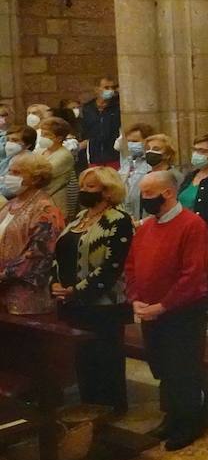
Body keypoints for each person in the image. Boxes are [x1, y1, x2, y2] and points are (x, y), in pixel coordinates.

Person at [128, 171, 208, 450]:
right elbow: (132, 266)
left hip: (182, 312)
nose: (144, 199)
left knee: (183, 369)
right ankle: (171, 416)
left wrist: (163, 306)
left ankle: (189, 421)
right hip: (150, 310)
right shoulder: (146, 227)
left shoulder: (192, 225)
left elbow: (193, 274)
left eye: (148, 193)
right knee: (163, 367)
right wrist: (136, 299)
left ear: (168, 193)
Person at [51, 167, 134, 412]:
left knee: (105, 357)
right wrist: (54, 283)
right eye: (84, 186)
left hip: (104, 305)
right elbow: (59, 255)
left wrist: (77, 291)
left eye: (91, 187)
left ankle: (110, 408)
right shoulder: (79, 218)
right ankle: (88, 407)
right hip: (73, 303)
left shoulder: (118, 220)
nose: (84, 191)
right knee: (83, 357)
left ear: (107, 192)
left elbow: (112, 266)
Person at [0, 152, 65, 314]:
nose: (9, 176)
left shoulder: (46, 209)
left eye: (17, 173)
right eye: (9, 171)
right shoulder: (9, 204)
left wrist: (4, 274)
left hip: (25, 297)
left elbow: (39, 254)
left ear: (36, 178)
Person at [128, 133, 176, 219]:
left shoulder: (174, 176)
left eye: (156, 149)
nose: (150, 152)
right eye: (148, 149)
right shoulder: (145, 176)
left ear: (167, 154)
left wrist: (142, 223)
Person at [78, 75, 121, 168]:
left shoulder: (118, 107)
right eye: (106, 87)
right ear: (96, 89)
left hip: (114, 156)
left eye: (112, 87)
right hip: (94, 156)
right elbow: (84, 131)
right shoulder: (87, 108)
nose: (110, 90)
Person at [37, 116, 76, 216]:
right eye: (42, 134)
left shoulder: (64, 155)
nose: (43, 137)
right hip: (39, 202)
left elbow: (42, 175)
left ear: (59, 138)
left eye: (47, 135)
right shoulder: (41, 150)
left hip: (55, 202)